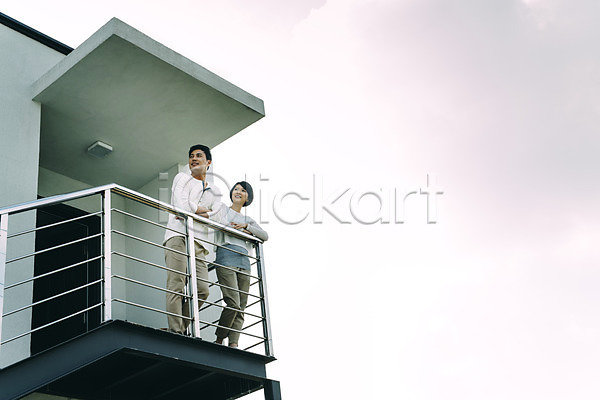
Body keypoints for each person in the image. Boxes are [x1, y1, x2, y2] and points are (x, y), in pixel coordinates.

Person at [164, 144, 225, 335]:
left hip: (199, 243)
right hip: (177, 236)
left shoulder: (215, 190)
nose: (194, 159)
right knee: (177, 284)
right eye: (191, 156)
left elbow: (217, 217)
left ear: (208, 162)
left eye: (199, 156)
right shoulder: (181, 178)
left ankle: (181, 327)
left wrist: (195, 211)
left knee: (203, 290)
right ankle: (176, 331)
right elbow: (180, 206)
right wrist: (202, 210)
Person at [214, 181, 268, 348]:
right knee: (233, 303)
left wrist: (247, 227)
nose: (238, 192)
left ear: (247, 198)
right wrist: (243, 232)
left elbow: (264, 236)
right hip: (226, 256)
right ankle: (219, 339)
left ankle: (233, 343)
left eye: (243, 190)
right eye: (236, 189)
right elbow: (222, 225)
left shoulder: (248, 220)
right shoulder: (223, 209)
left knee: (241, 306)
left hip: (244, 262)